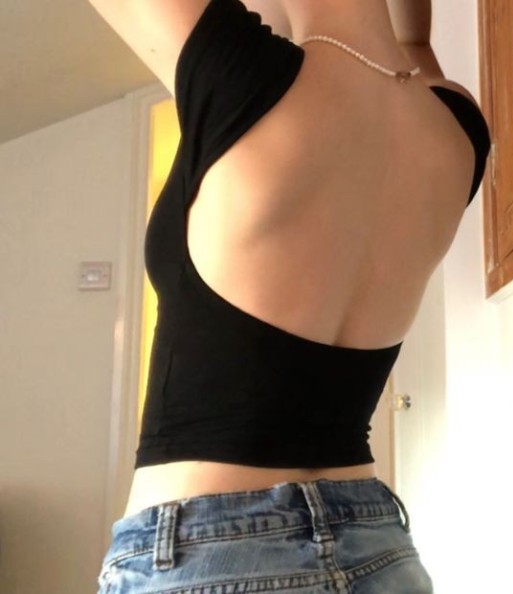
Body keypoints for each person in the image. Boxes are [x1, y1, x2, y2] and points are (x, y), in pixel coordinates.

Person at [90, 1, 491, 592]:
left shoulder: (243, 78)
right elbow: (412, 45)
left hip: (209, 558)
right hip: (378, 551)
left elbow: (404, 38)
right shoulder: (456, 128)